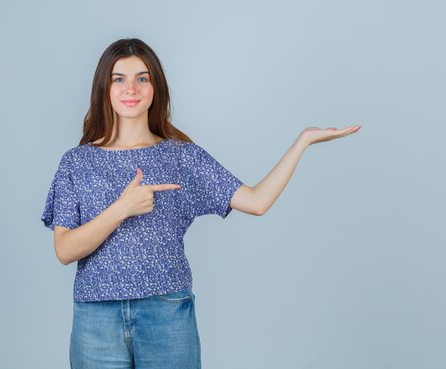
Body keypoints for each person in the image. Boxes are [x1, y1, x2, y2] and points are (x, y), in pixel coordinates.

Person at [40, 37, 361, 369]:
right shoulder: (77, 162)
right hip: (96, 317)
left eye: (142, 78)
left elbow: (256, 201)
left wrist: (303, 141)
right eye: (118, 78)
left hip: (165, 312)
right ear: (104, 88)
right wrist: (122, 208)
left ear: (155, 88)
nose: (130, 88)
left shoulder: (181, 156)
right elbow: (64, 250)